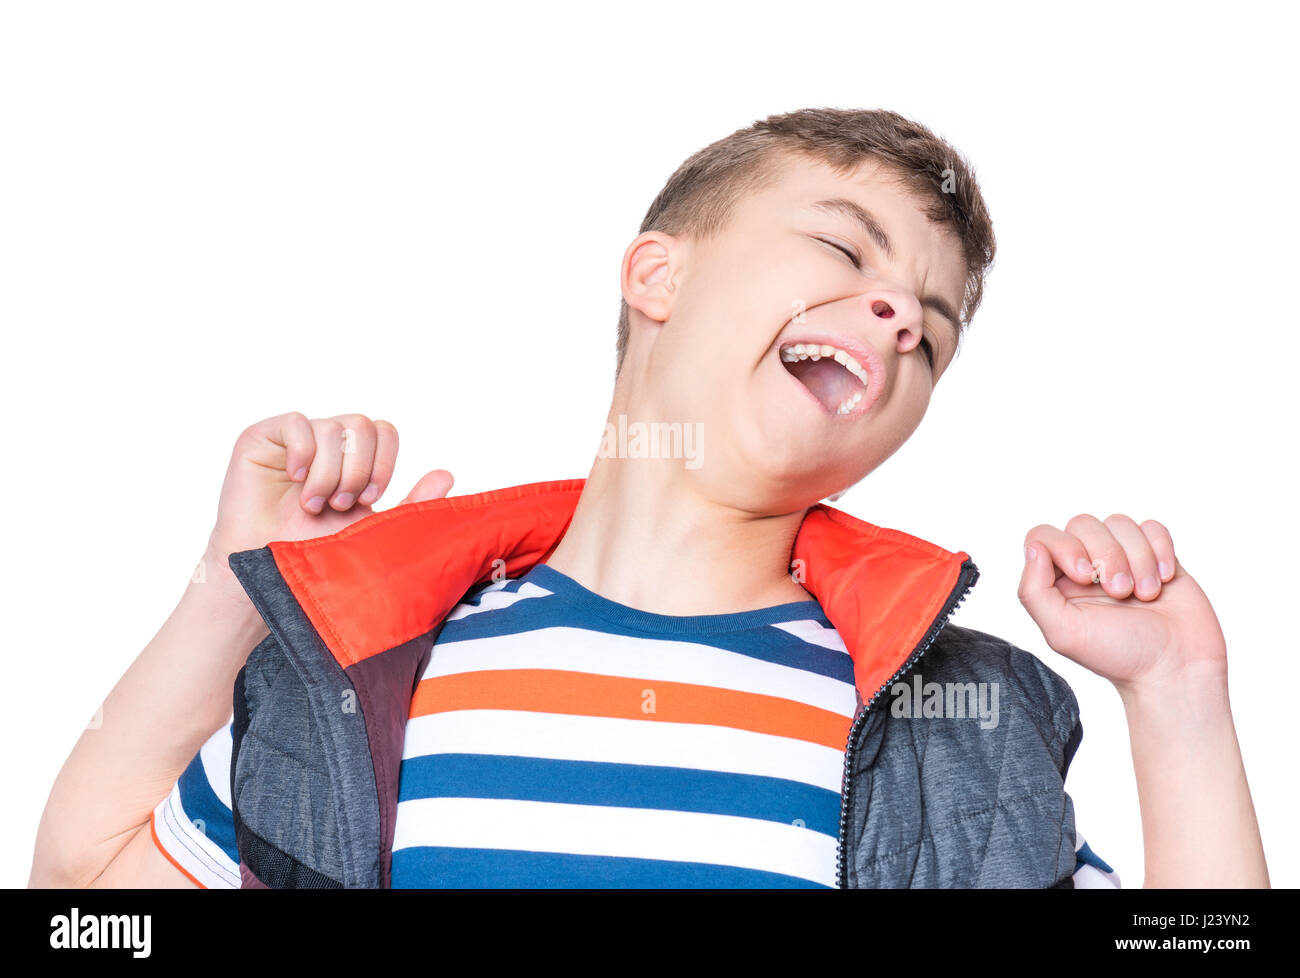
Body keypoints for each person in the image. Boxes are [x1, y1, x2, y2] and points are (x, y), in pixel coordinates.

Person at [29, 107, 1267, 888]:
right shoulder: (365, 671)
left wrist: (1180, 701)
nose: (898, 317)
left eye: (932, 333)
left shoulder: (959, 733)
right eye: (844, 252)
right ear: (655, 275)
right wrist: (233, 597)